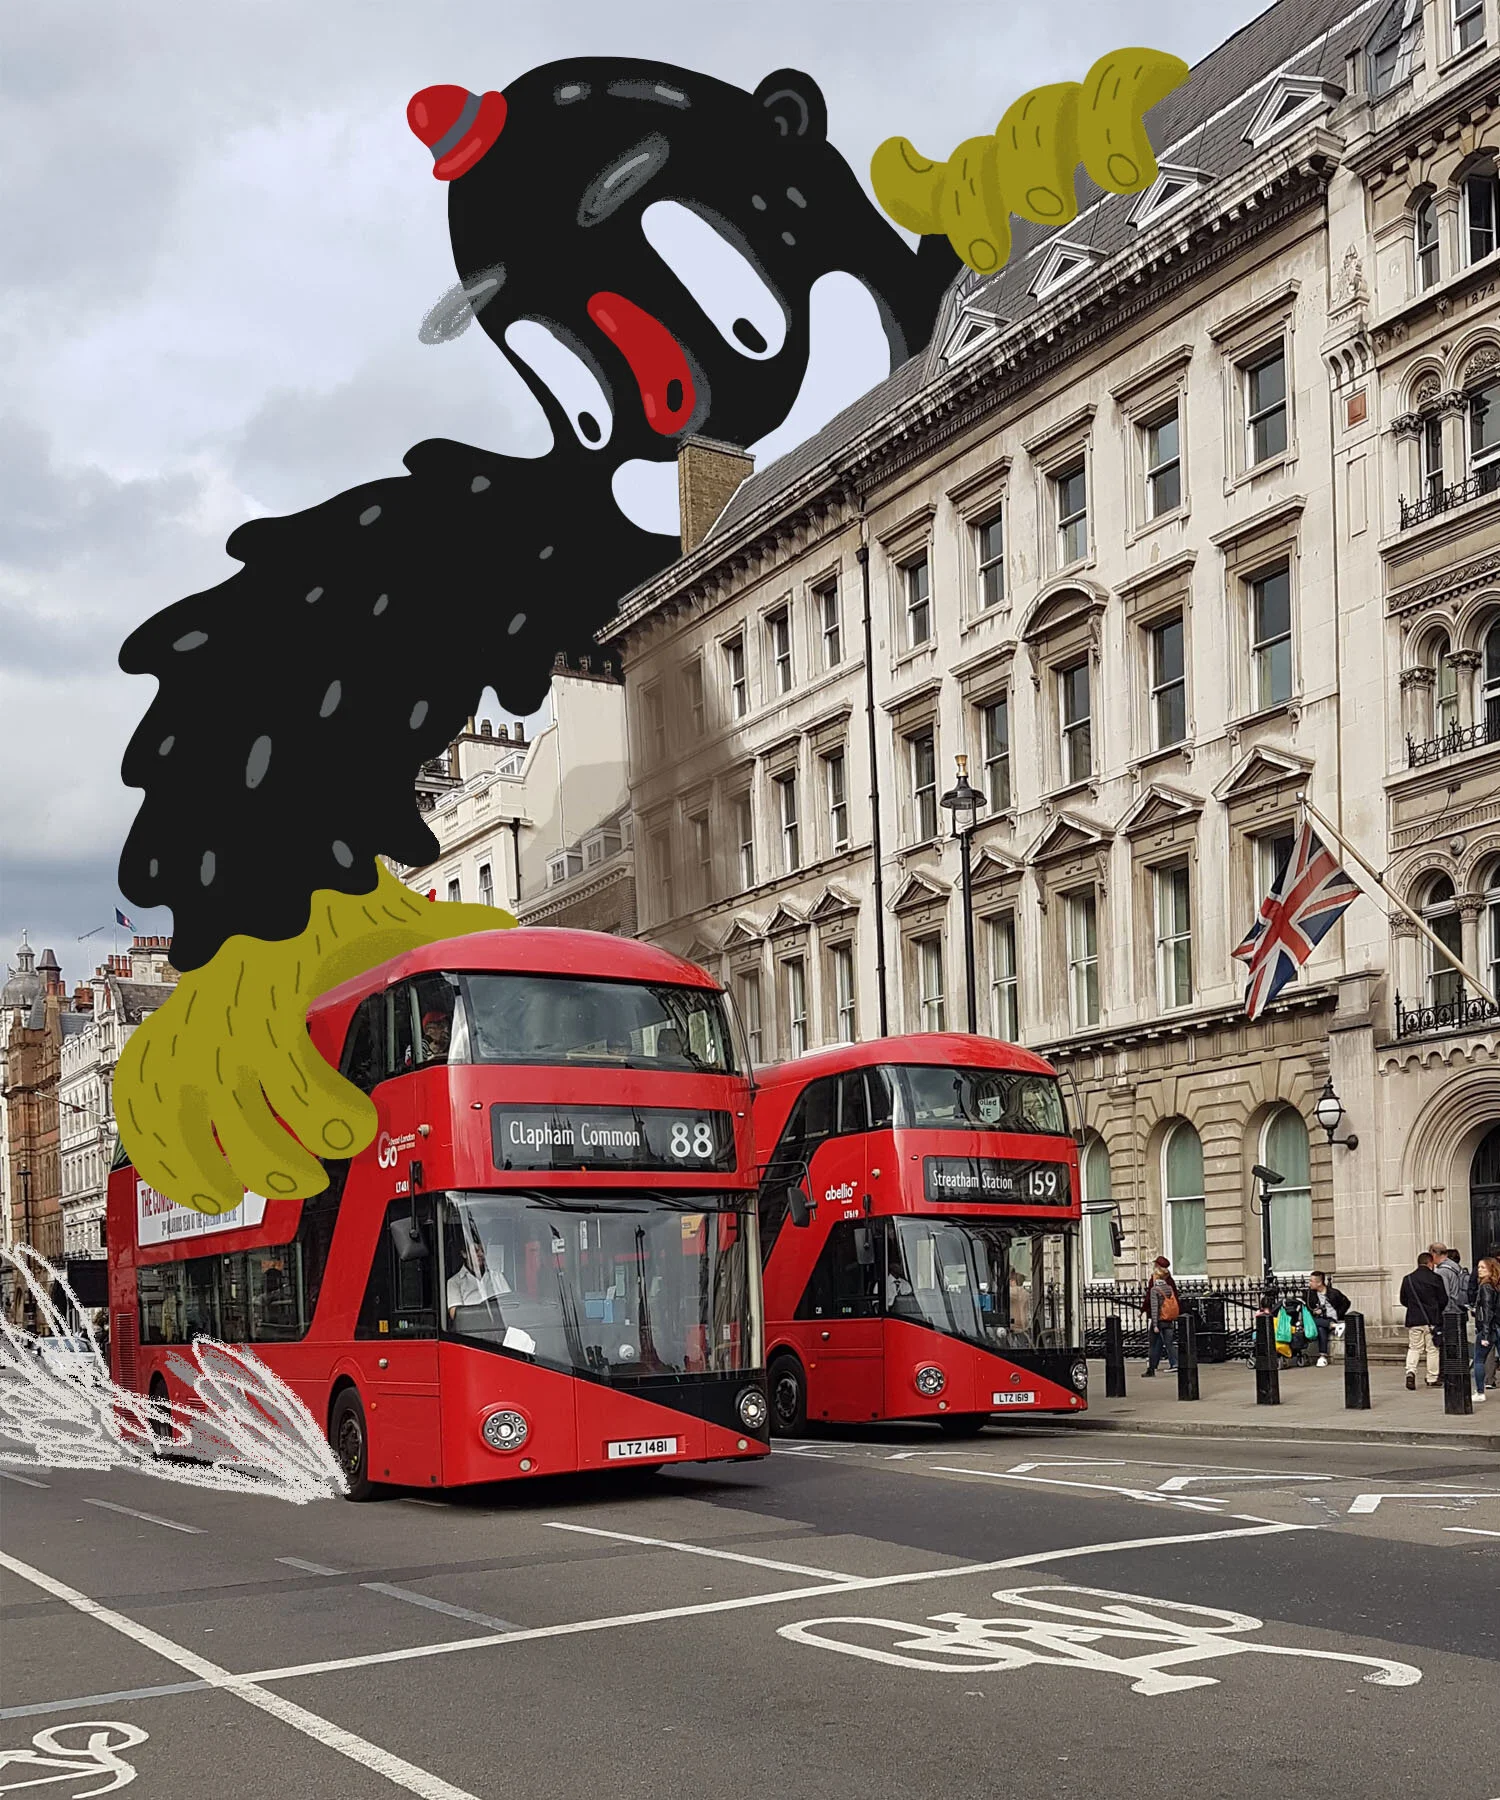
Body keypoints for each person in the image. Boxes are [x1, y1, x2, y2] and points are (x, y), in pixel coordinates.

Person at [1399, 1252, 1447, 1390]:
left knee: (1414, 1347)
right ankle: (1432, 1378)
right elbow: (1443, 1299)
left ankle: (1410, 1371)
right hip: (1432, 1319)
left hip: (1414, 1319)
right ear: (1430, 1263)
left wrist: (1414, 1308)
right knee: (1432, 1349)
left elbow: (1403, 1299)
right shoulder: (1436, 1278)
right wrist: (1435, 1309)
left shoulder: (1408, 1279)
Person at [445, 1235, 509, 1320]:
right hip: (472, 1327)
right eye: (476, 1251)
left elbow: (509, 1306)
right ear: (464, 1254)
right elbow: (455, 1315)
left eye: (483, 1250)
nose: (481, 1254)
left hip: (499, 1324)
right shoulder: (454, 1282)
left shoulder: (497, 1276)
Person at [1301, 1271, 1350, 1367]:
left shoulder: (1333, 1293)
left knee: (1319, 1325)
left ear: (1319, 1283)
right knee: (1319, 1327)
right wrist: (1314, 1311)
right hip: (1319, 1319)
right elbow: (1307, 1308)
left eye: (1311, 1281)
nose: (1309, 1283)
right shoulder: (1309, 1294)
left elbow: (1346, 1303)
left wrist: (1338, 1314)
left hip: (1331, 1318)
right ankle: (1322, 1356)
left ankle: (1322, 1356)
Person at [1141, 1255, 1179, 1376]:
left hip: (1158, 1317)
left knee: (1154, 1342)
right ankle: (1163, 1363)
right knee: (1165, 1341)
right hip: (1168, 1316)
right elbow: (1175, 1298)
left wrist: (1144, 1310)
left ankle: (1154, 1366)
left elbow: (1152, 1301)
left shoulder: (1154, 1284)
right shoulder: (1169, 1283)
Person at [1472, 1257, 1500, 1402]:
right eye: (1479, 1267)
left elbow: (1488, 1311)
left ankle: (1480, 1392)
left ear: (1491, 1269)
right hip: (1496, 1326)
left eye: (1483, 1267)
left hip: (1488, 1328)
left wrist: (1485, 1334)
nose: (1480, 1270)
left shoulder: (1486, 1287)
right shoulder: (1495, 1286)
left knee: (1479, 1360)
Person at [1437, 1246, 1472, 1318]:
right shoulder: (1460, 1270)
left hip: (1450, 1311)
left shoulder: (1443, 1271)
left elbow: (1445, 1292)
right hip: (1461, 1308)